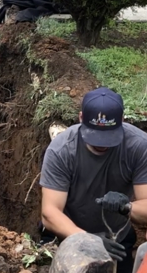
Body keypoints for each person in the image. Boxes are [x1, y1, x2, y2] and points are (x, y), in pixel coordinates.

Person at [40, 87, 147, 273]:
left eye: (108, 137)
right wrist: (91, 242)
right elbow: (50, 212)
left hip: (115, 241)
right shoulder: (62, 150)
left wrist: (127, 206)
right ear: (81, 118)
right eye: (95, 136)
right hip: (68, 238)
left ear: (122, 121)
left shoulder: (139, 146)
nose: (101, 144)